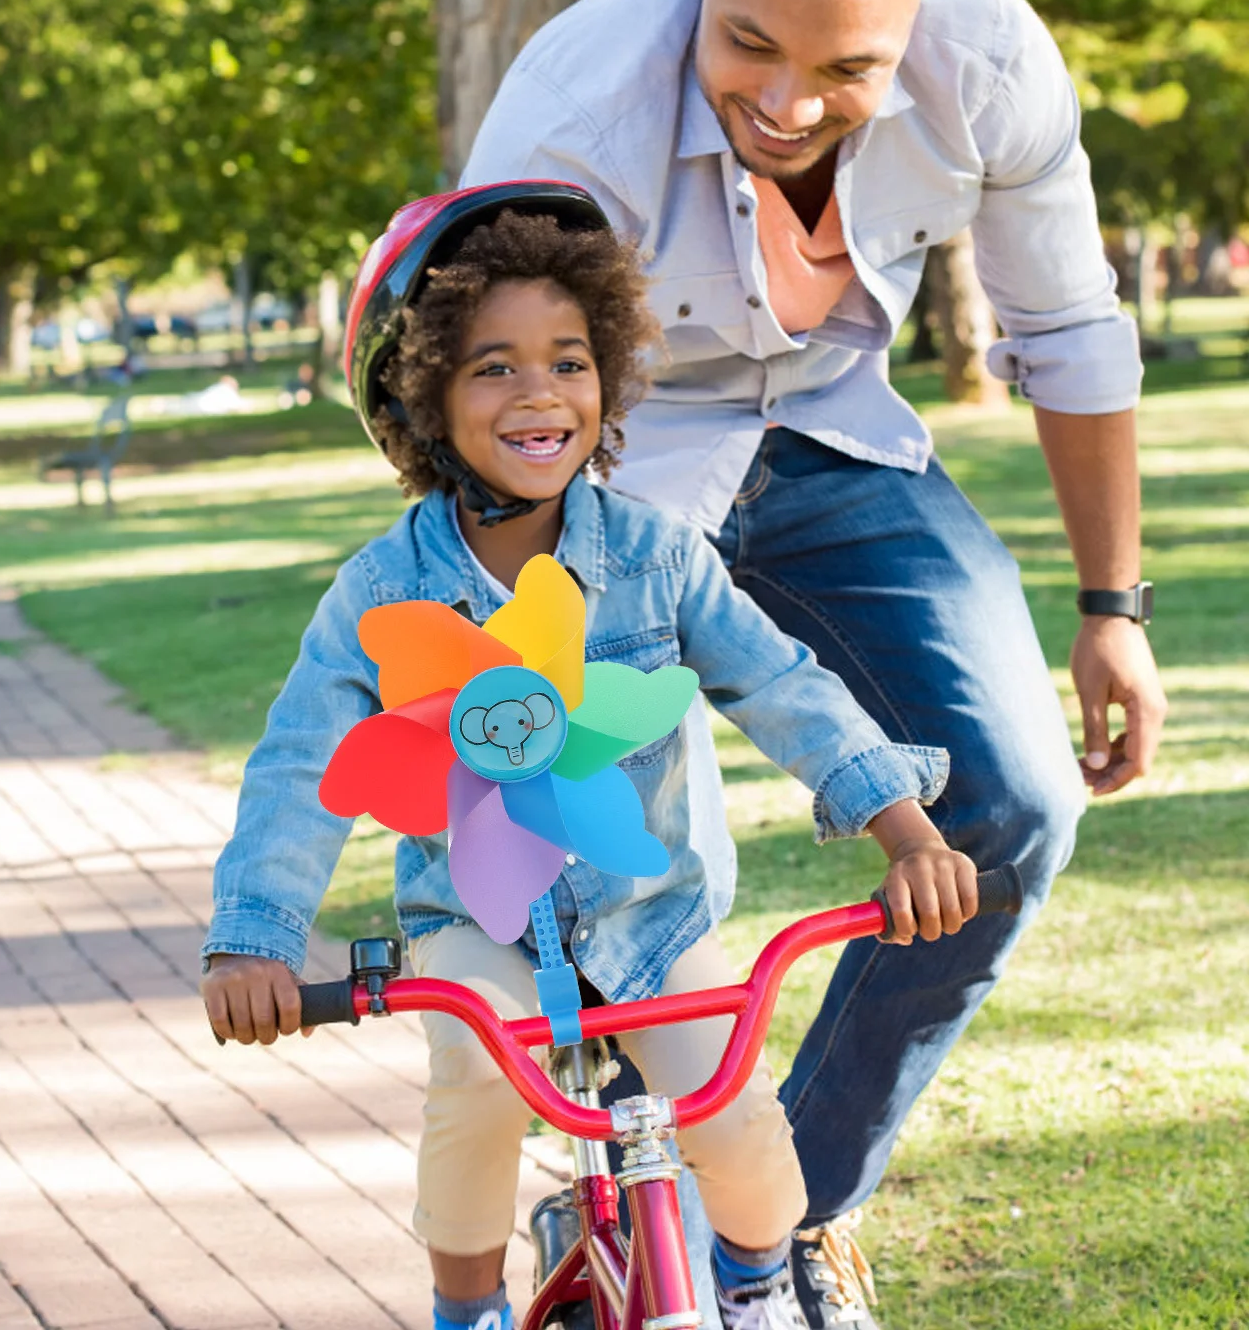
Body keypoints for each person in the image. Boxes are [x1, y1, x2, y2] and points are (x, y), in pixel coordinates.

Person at [458, 0, 1167, 1327]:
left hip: (838, 433)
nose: (787, 103)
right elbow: (494, 407)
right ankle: (631, 1199)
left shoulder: (991, 61)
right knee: (629, 865)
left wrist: (1113, 610)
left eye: (846, 69)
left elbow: (1071, 330)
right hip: (606, 463)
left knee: (1016, 803)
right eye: (749, 45)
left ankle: (790, 1221)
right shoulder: (574, 115)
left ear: (917, 13)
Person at [203, 186, 982, 1330]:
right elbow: (295, 770)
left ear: (607, 374)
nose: (540, 395)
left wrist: (902, 826)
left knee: (736, 1115)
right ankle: (464, 1311)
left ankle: (759, 1283)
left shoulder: (655, 556)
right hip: (478, 927)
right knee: (470, 1086)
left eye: (569, 360)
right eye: (491, 368)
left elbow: (779, 685)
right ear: (418, 401)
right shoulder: (382, 594)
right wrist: (252, 943)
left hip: (650, 913)